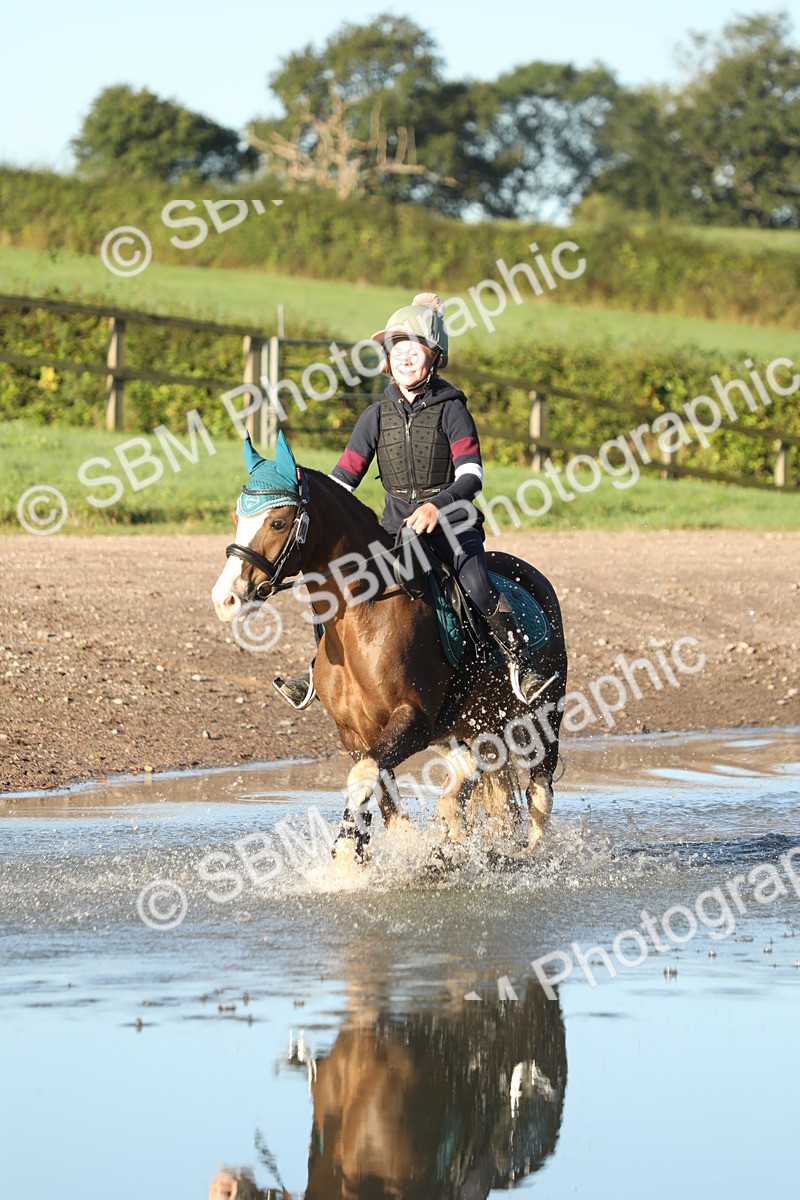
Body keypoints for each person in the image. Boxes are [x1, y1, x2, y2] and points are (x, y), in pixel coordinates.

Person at [273, 293, 552, 709]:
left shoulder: (453, 410)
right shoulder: (374, 416)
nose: (404, 358)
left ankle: (521, 664)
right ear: (387, 359)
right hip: (393, 531)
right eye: (396, 349)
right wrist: (309, 492)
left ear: (435, 357)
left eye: (415, 350)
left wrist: (437, 507)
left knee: (477, 584)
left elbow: (472, 476)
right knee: (333, 586)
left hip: (452, 527)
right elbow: (343, 480)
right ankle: (318, 671)